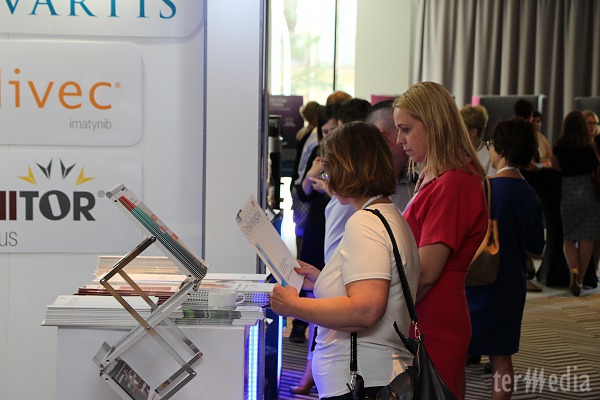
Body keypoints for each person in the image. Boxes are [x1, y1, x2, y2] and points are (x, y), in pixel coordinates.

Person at [270, 121, 421, 399]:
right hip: (372, 375)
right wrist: (323, 279)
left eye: (329, 168)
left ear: (348, 167)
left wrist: (294, 306)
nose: (327, 177)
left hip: (361, 380)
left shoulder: (365, 222)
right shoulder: (387, 214)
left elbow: (365, 309)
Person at [393, 81, 488, 399]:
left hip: (432, 318)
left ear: (433, 124)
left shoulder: (453, 183)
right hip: (426, 313)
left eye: (406, 129)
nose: (400, 140)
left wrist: (385, 310)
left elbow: (428, 272)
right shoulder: (443, 177)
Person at [466, 118, 545, 400]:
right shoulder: (530, 195)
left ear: (499, 149)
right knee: (501, 359)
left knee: (460, 352)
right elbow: (537, 250)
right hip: (511, 284)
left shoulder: (483, 188)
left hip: (477, 281)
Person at [553, 110, 600, 296]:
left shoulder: (559, 147)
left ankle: (573, 268)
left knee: (569, 237)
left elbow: (555, 168)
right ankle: (579, 278)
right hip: (588, 192)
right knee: (587, 238)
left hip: (568, 192)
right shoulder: (589, 147)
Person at [291, 101, 323, 257]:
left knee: (300, 228)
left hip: (298, 183)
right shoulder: (313, 137)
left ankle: (299, 258)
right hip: (303, 186)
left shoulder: (304, 133)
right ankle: (300, 258)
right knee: (302, 228)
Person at [460, 104, 496, 176]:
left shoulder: (490, 154)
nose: (456, 133)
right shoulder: (456, 153)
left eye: (460, 129)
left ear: (473, 132)